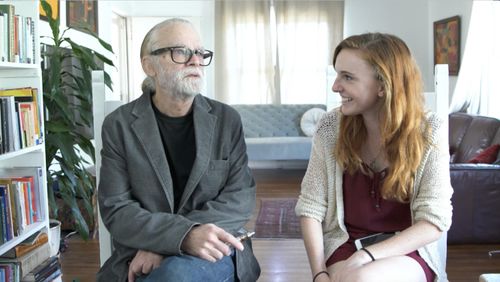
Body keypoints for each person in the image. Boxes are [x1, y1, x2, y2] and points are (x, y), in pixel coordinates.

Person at [96, 18, 260, 282]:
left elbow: (240, 197)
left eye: (199, 52)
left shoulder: (227, 119)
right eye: (181, 52)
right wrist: (180, 238)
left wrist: (175, 240)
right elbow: (116, 208)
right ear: (149, 65)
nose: (195, 60)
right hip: (138, 252)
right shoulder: (119, 125)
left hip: (214, 247)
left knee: (175, 275)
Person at [295, 33, 453, 282]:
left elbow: (434, 220)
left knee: (363, 278)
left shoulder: (429, 130)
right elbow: (310, 208)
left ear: (383, 85)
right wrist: (319, 274)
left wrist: (366, 256)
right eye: (337, 75)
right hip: (346, 246)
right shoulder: (330, 128)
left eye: (347, 77)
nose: (336, 86)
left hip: (407, 249)